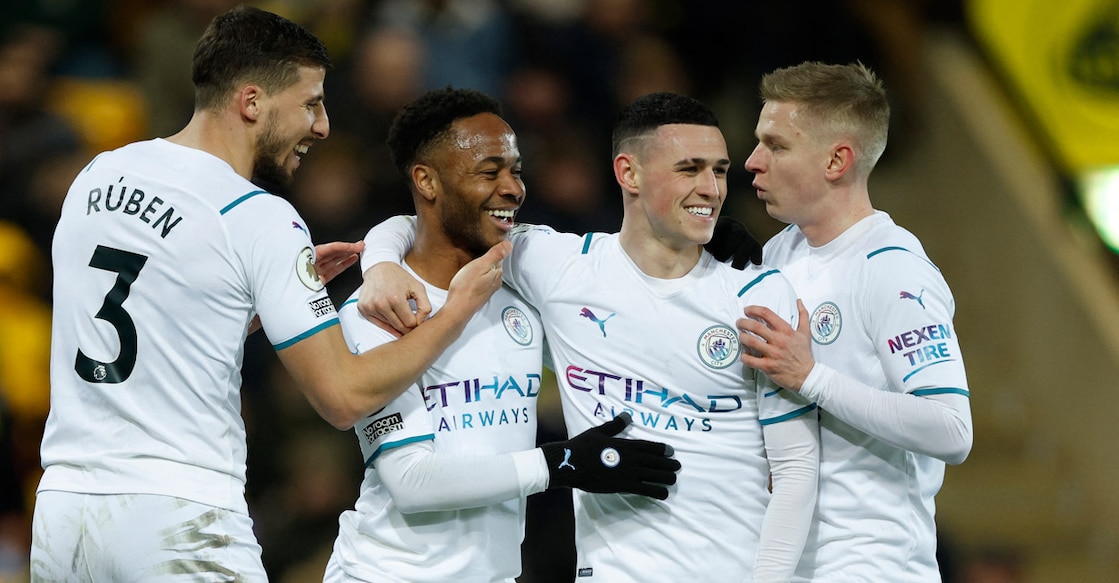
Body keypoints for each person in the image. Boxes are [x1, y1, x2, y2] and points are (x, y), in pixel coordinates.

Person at [30, 6, 508, 581]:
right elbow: (344, 396)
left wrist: (250, 308)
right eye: (311, 103)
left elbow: (130, 314)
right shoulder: (259, 217)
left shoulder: (99, 175)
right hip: (179, 514)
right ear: (252, 102)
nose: (323, 125)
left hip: (64, 511)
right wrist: (457, 310)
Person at [358, 91, 821, 582]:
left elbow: (795, 468)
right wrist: (381, 262)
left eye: (720, 171)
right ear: (629, 173)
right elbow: (433, 222)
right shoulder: (557, 267)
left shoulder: (757, 291)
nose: (711, 188)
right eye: (689, 169)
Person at [323, 86, 681, 583]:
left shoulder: (522, 285)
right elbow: (412, 482)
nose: (513, 188)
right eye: (489, 172)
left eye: (516, 170)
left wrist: (700, 245)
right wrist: (561, 464)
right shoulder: (376, 310)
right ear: (426, 180)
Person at [737, 61, 974, 581]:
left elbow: (953, 430)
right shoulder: (778, 255)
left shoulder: (892, 267)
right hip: (785, 557)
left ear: (836, 160)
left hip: (872, 561)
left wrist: (811, 377)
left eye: (776, 146)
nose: (753, 161)